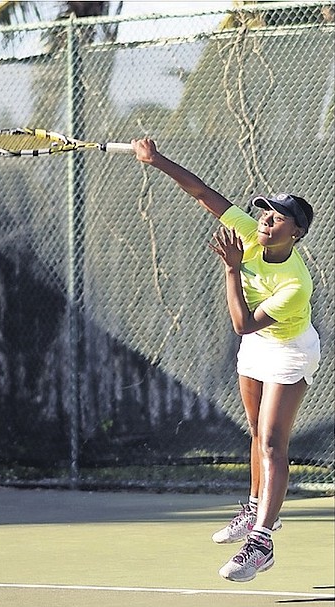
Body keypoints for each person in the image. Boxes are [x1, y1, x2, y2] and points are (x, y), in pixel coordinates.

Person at [132, 138, 320, 583]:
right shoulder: (250, 234)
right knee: (255, 433)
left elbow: (241, 324)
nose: (266, 220)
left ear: (295, 233)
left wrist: (233, 269)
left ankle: (262, 542)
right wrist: (157, 159)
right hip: (257, 350)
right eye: (264, 212)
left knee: (273, 443)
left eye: (277, 217)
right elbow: (201, 192)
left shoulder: (296, 283)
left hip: (290, 351)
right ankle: (255, 510)